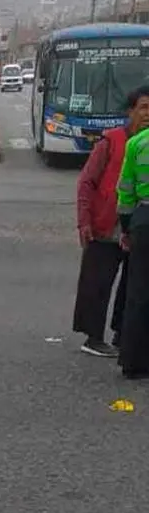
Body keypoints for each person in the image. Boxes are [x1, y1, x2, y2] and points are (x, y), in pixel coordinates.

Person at [75, 87, 149, 358]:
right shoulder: (111, 141)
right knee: (98, 282)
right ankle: (93, 337)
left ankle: (122, 334)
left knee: (133, 285)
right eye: (143, 108)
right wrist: (84, 221)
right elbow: (86, 182)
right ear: (130, 112)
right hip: (106, 222)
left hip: (138, 225)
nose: (147, 114)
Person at [117, 89, 149, 380]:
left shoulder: (136, 144)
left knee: (138, 292)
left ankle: (132, 361)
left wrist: (126, 228)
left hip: (143, 219)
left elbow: (125, 191)